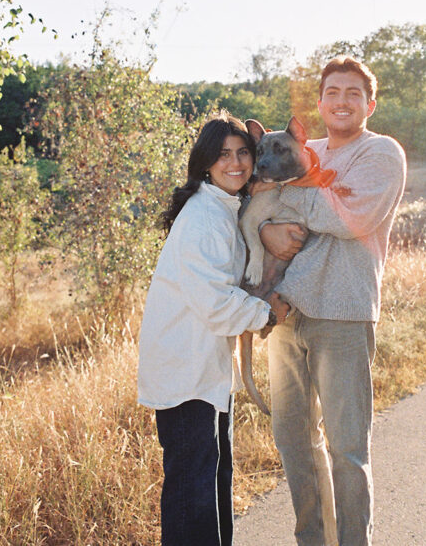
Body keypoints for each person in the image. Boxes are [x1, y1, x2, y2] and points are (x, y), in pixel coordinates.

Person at [257, 56, 406, 546]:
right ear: (319, 103)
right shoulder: (303, 148)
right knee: (294, 443)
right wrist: (265, 226)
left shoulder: (380, 153)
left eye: (353, 94)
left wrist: (287, 199)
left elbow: (351, 219)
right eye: (333, 92)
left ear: (369, 103)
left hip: (342, 314)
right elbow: (262, 203)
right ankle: (311, 540)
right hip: (283, 314)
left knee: (347, 447)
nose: (342, 101)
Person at [137, 112, 291, 546]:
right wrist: (267, 314)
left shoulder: (223, 208)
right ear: (206, 162)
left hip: (206, 373)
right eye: (223, 155)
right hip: (186, 374)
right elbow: (215, 303)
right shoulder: (203, 217)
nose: (236, 163)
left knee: (213, 485)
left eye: (243, 153)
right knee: (193, 496)